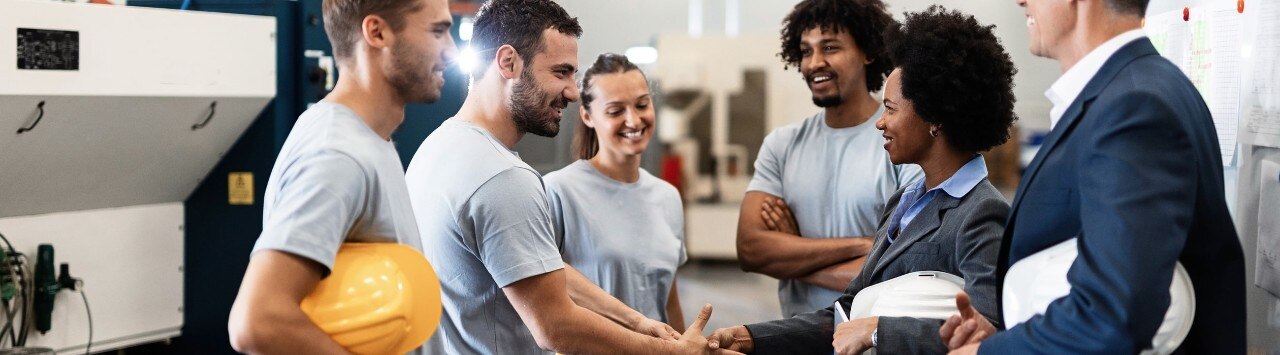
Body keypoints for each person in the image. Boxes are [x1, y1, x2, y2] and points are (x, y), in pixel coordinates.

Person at [404, 1, 733, 354]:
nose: (573, 92)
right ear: (508, 62)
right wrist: (676, 352)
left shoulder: (436, 147)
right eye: (561, 72)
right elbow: (556, 326)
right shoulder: (503, 177)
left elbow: (539, 267)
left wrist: (637, 321)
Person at [939, 0, 1246, 353]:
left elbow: (1112, 313)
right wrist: (1012, 335)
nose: (1021, 1)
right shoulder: (1128, 92)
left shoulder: (1135, 107)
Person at [709, 6, 1016, 354]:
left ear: (935, 116)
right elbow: (847, 314)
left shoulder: (981, 213)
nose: (880, 122)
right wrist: (750, 336)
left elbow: (991, 329)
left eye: (891, 108)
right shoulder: (904, 201)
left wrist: (879, 331)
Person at [226, 0, 455, 353]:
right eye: (438, 31)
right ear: (377, 32)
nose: (451, 51)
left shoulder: (366, 137)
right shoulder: (338, 154)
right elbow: (257, 320)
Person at [736, 0, 923, 318]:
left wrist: (793, 256)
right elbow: (751, 249)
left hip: (872, 342)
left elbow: (905, 266)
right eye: (806, 51)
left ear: (868, 52)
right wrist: (865, 244)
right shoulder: (782, 145)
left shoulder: (903, 141)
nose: (814, 63)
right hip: (796, 339)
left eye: (830, 47)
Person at [544, 53, 687, 332]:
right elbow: (542, 292)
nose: (633, 121)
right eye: (615, 111)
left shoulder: (667, 197)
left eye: (642, 105)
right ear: (587, 115)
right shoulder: (559, 191)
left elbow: (669, 299)